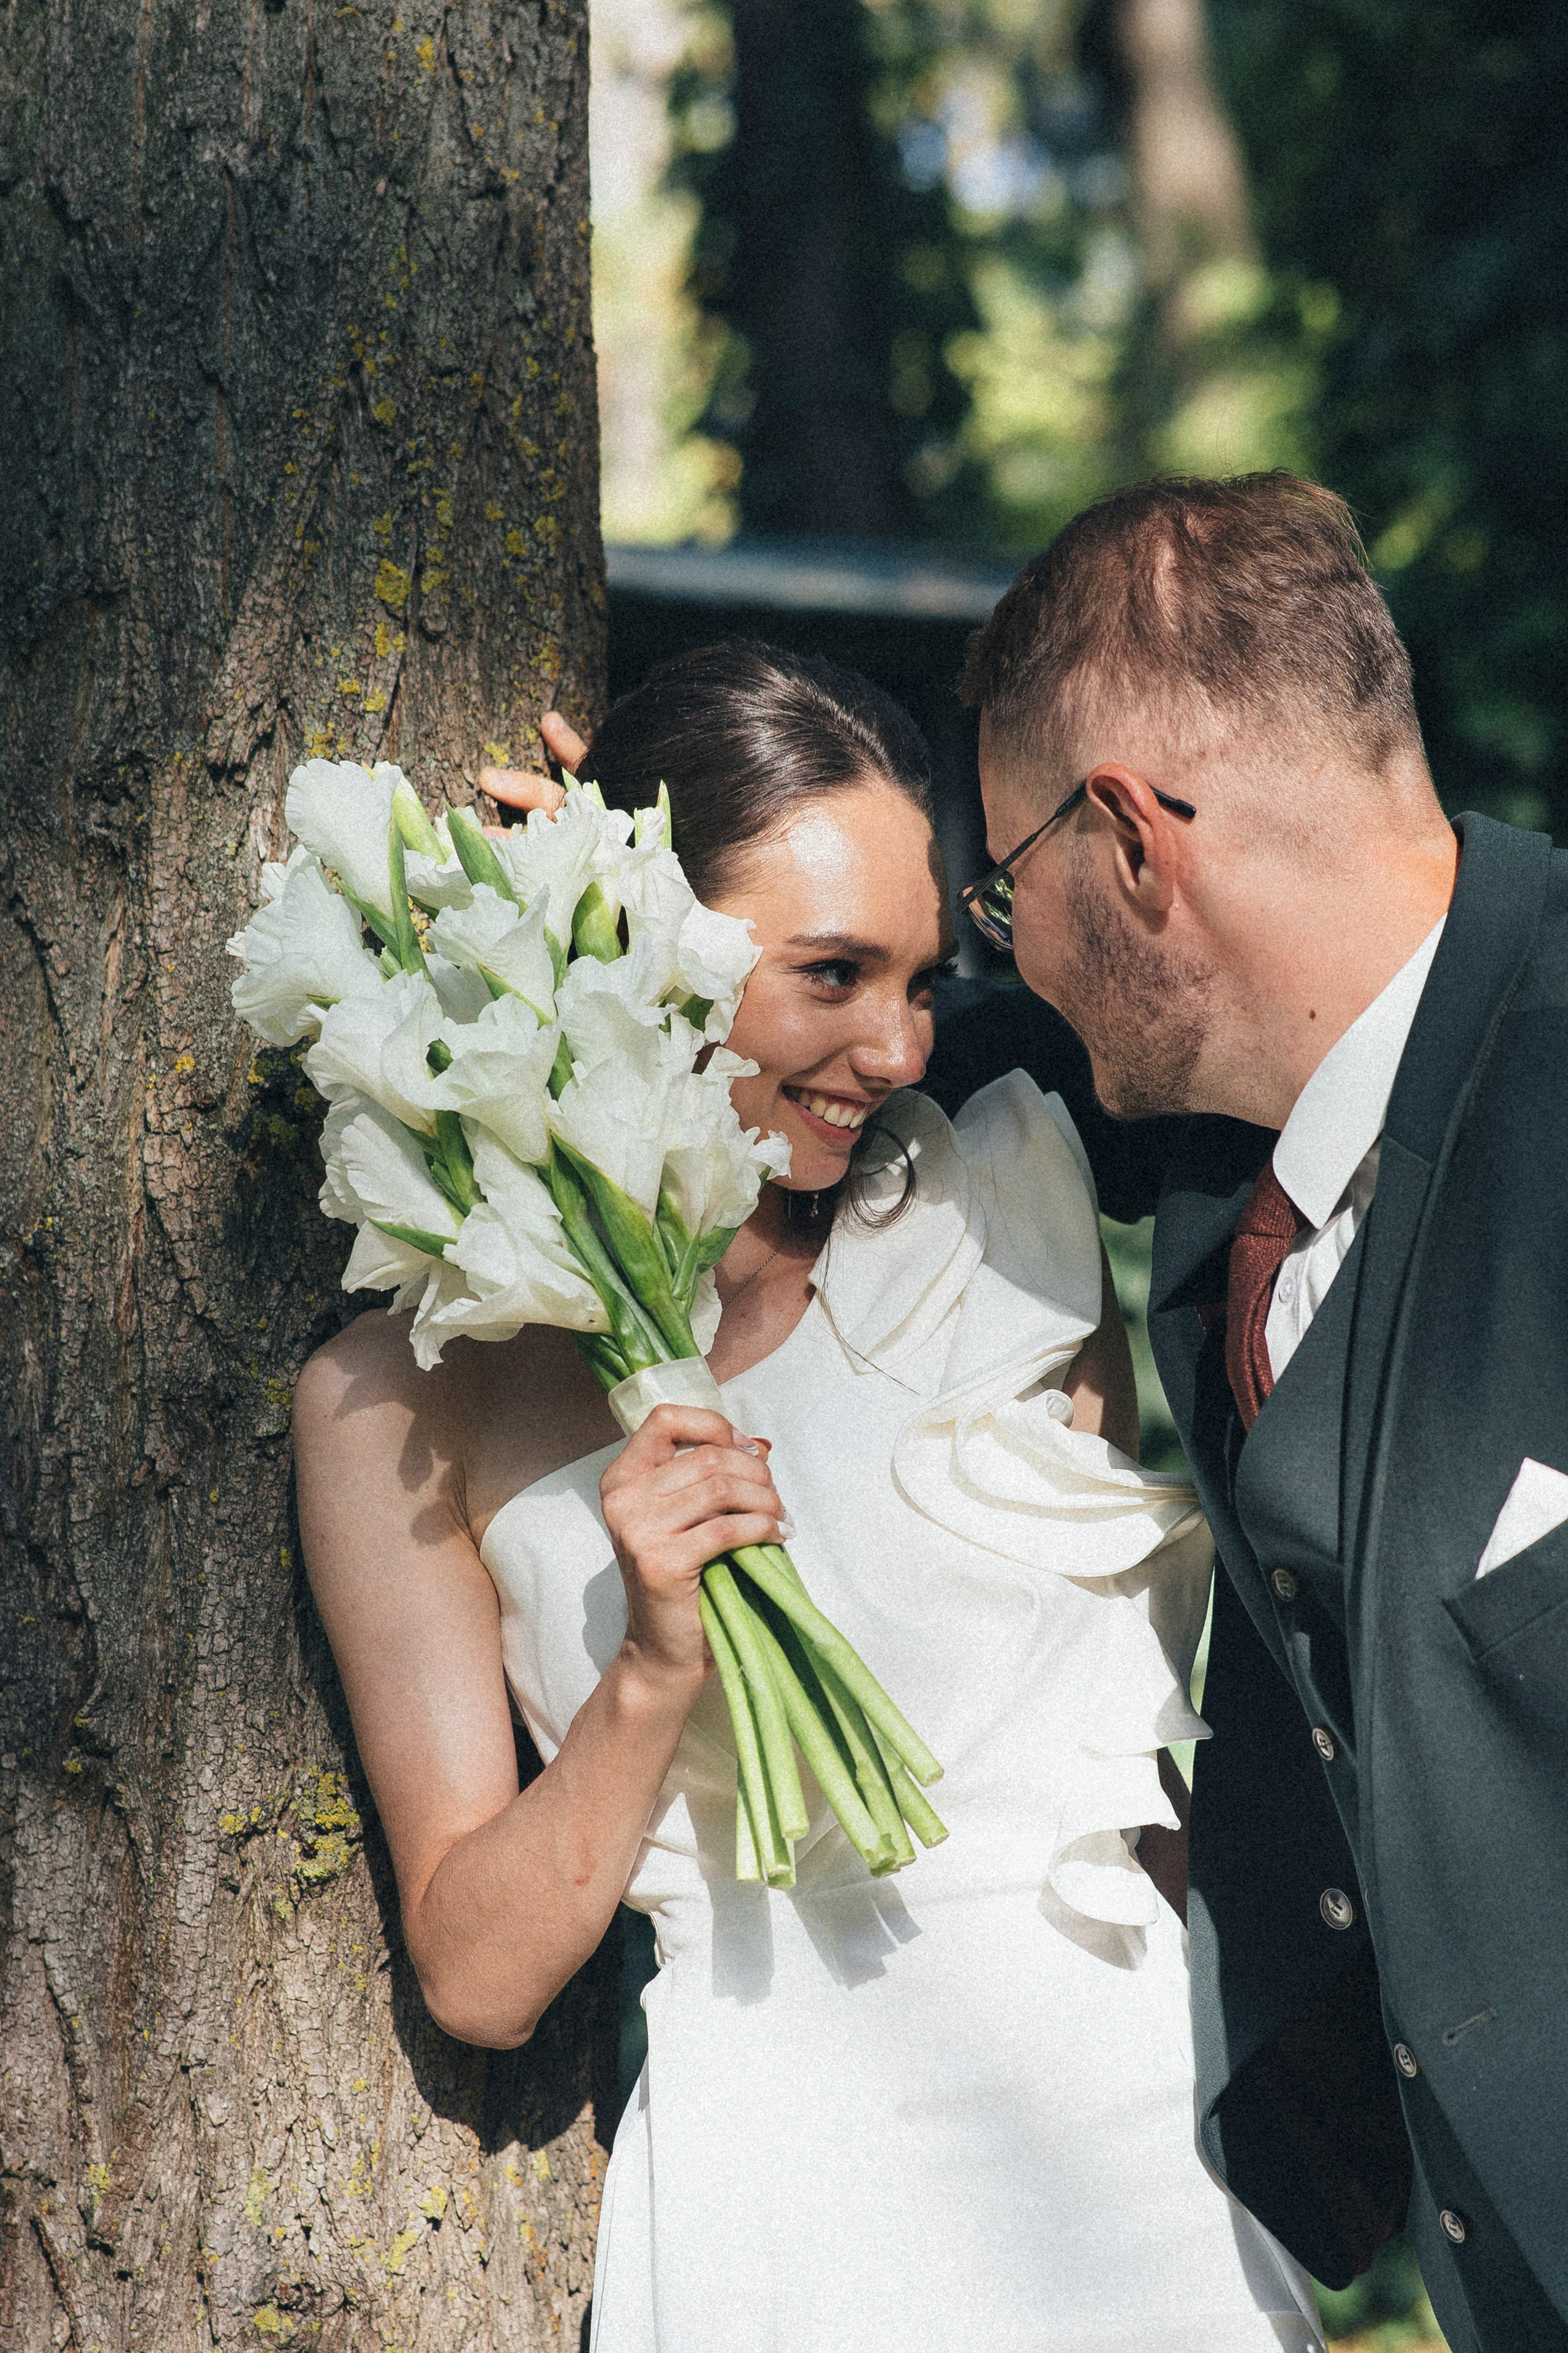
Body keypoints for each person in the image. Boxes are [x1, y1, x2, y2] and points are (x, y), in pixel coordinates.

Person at [293, 642, 1324, 2353]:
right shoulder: (408, 1387)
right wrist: (649, 1672)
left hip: (1126, 2141)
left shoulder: (1011, 1176)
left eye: (919, 976)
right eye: (829, 971)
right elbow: (477, 1972)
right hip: (781, 2188)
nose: (891, 1042)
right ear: (639, 937)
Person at [951, 471, 1568, 2353]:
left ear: (1133, 842)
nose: (1005, 948)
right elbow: (938, 1051)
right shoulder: (1230, 1167)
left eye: (1007, 887)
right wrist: (613, 935)